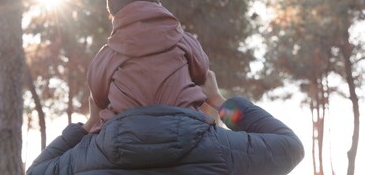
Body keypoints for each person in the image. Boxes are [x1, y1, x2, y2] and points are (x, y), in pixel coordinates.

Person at [26, 70, 304, 175]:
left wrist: (89, 124)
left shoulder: (87, 157)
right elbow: (289, 146)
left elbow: (37, 171)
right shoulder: (221, 149)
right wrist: (221, 102)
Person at [87, 0, 210, 132]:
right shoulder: (183, 40)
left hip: (124, 139)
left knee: (63, 156)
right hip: (187, 130)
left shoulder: (108, 55)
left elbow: (98, 97)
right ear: (157, 4)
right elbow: (202, 73)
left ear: (113, 12)